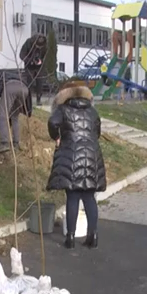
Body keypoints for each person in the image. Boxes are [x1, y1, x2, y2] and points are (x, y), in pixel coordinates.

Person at [46, 82, 106, 249]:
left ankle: (70, 238)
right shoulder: (93, 111)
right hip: (92, 155)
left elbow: (52, 123)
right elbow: (97, 132)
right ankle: (93, 235)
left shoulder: (63, 110)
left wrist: (57, 137)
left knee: (72, 197)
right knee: (89, 197)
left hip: (71, 155)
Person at [0, 66, 28, 153]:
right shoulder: (5, 74)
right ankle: (16, 143)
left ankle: (4, 143)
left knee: (3, 114)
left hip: (10, 87)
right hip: (24, 88)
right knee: (14, 116)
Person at [20, 33, 48, 114]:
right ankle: (28, 100)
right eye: (38, 46)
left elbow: (45, 56)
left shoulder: (44, 46)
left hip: (39, 67)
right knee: (29, 83)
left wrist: (41, 61)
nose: (39, 48)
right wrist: (30, 60)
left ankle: (38, 99)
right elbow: (21, 55)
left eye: (40, 47)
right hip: (29, 66)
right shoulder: (28, 43)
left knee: (40, 82)